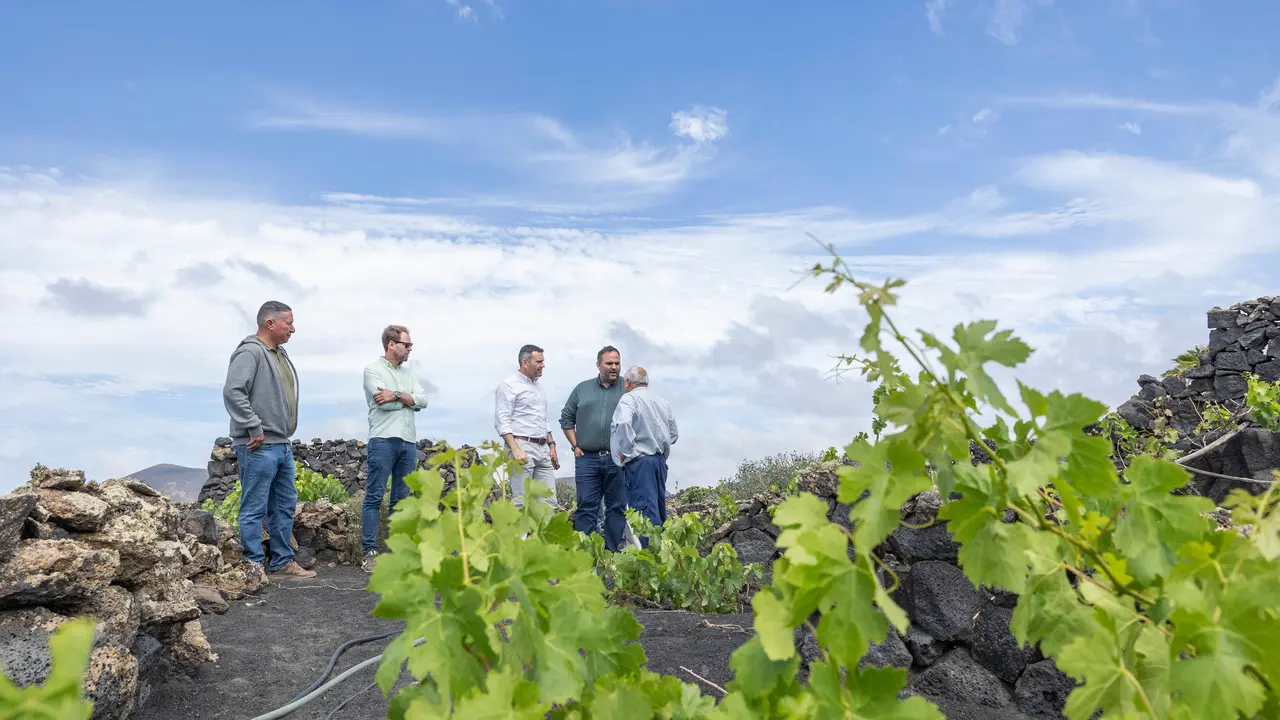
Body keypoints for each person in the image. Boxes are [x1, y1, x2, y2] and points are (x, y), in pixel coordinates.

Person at [222, 300, 316, 581]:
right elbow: (233, 392)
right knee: (254, 506)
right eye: (289, 323)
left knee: (285, 504)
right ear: (270, 323)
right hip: (258, 444)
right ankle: (253, 567)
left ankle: (281, 562)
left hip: (281, 443)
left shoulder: (279, 354)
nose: (293, 329)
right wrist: (254, 427)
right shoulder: (250, 353)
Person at [360, 324, 430, 573]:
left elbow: (423, 400)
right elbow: (384, 404)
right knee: (375, 496)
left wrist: (397, 395)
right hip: (383, 439)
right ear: (391, 344)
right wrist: (407, 400)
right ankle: (369, 552)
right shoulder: (372, 370)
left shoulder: (410, 374)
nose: (410, 349)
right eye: (407, 344)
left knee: (402, 499)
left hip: (408, 442)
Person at [559, 345, 626, 549]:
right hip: (586, 458)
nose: (614, 367)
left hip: (618, 459)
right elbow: (566, 419)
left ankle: (612, 555)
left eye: (617, 363)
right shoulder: (582, 389)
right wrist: (575, 446)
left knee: (616, 507)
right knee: (586, 507)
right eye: (609, 363)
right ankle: (586, 554)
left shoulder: (628, 388)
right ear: (598, 365)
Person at [610, 366, 678, 548]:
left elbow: (624, 422)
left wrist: (626, 450)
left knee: (644, 514)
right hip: (659, 461)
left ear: (627, 382)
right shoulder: (662, 402)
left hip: (640, 462)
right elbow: (673, 434)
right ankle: (661, 558)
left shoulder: (629, 399)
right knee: (658, 510)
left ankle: (649, 562)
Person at [494, 344, 560, 509]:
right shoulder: (508, 385)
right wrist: (515, 449)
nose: (543, 365)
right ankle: (519, 536)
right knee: (521, 501)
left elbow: (544, 419)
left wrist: (552, 445)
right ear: (525, 362)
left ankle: (544, 535)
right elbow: (502, 420)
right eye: (539, 361)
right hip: (521, 445)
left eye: (543, 361)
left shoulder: (539, 387)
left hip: (543, 447)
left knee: (549, 501)